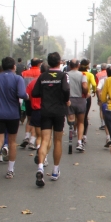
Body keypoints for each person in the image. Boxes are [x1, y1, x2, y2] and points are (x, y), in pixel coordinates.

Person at [0, 57, 29, 180]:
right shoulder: (18, 78)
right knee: (12, 143)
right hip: (13, 114)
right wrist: (27, 96)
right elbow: (21, 94)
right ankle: (10, 171)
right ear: (14, 67)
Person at [32, 52, 70, 187]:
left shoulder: (42, 76)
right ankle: (55, 170)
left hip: (45, 111)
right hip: (59, 111)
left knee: (45, 140)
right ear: (60, 62)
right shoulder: (63, 75)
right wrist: (66, 100)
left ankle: (40, 167)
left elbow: (34, 93)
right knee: (58, 140)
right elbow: (66, 89)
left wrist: (45, 92)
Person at [26, 63, 51, 167]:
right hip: (48, 111)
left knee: (39, 136)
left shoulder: (33, 82)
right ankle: (44, 157)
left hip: (36, 111)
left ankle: (38, 149)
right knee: (48, 137)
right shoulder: (50, 83)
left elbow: (27, 96)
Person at [20, 58, 42, 150]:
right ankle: (32, 141)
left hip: (27, 97)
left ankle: (26, 136)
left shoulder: (24, 73)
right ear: (39, 64)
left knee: (29, 119)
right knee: (35, 121)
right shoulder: (40, 74)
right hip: (37, 99)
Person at [66, 59, 88, 152]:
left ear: (70, 66)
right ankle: (79, 142)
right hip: (80, 100)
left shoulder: (66, 75)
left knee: (71, 121)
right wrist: (85, 94)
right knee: (81, 122)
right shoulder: (82, 75)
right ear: (78, 66)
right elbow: (85, 86)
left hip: (69, 100)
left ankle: (71, 132)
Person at [96, 66, 111, 148]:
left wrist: (100, 99)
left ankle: (108, 137)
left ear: (106, 73)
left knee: (107, 121)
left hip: (106, 103)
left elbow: (98, 89)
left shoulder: (103, 80)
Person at [79, 59, 97, 146]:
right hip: (86, 96)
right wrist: (94, 91)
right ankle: (84, 135)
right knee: (85, 116)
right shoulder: (89, 75)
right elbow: (94, 84)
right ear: (88, 66)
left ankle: (75, 130)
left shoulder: (77, 74)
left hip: (76, 96)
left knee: (76, 116)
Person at [96, 63, 108, 130]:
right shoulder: (109, 73)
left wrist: (98, 98)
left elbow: (97, 86)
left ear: (101, 68)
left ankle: (103, 123)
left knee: (101, 109)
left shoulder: (98, 74)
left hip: (101, 94)